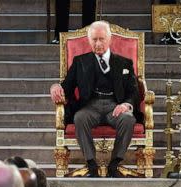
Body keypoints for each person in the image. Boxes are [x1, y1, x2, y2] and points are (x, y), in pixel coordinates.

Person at [50, 21, 140, 178]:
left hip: (115, 105)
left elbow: (134, 91)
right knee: (79, 118)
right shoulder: (80, 62)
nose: (98, 43)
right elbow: (66, 86)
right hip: (90, 106)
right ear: (89, 40)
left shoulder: (124, 62)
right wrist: (55, 87)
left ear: (109, 39)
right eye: (94, 39)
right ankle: (91, 164)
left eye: (102, 39)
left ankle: (114, 163)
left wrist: (126, 105)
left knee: (128, 120)